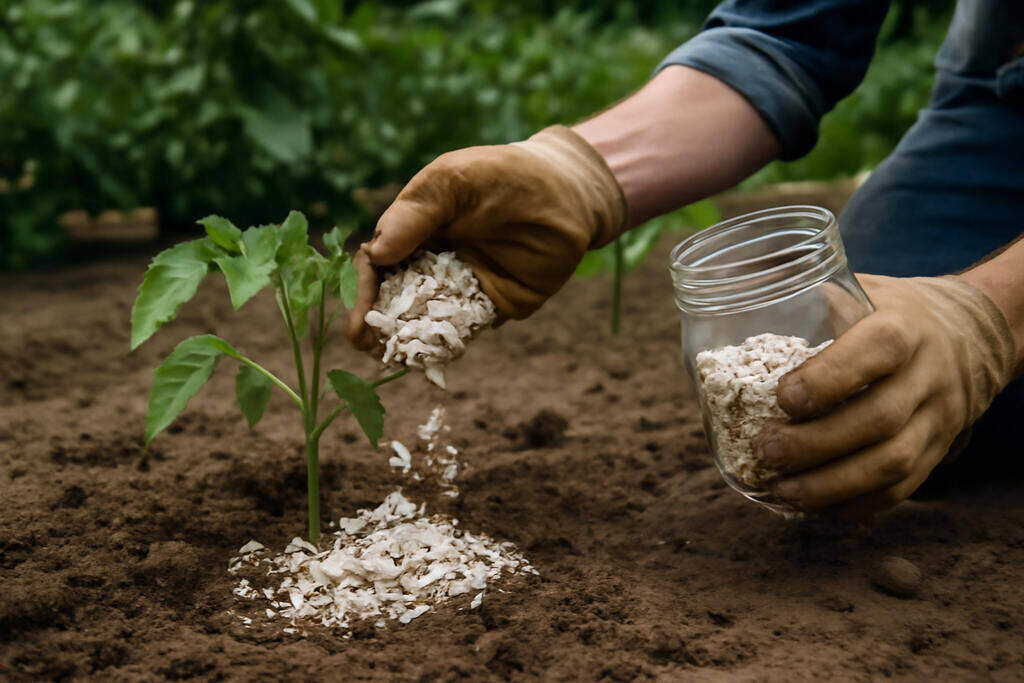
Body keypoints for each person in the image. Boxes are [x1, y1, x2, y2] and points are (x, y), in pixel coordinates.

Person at [348, 0, 1024, 519]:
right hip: (1004, 92)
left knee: (945, 396)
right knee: (870, 360)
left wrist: (990, 317)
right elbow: (787, 30)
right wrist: (579, 173)